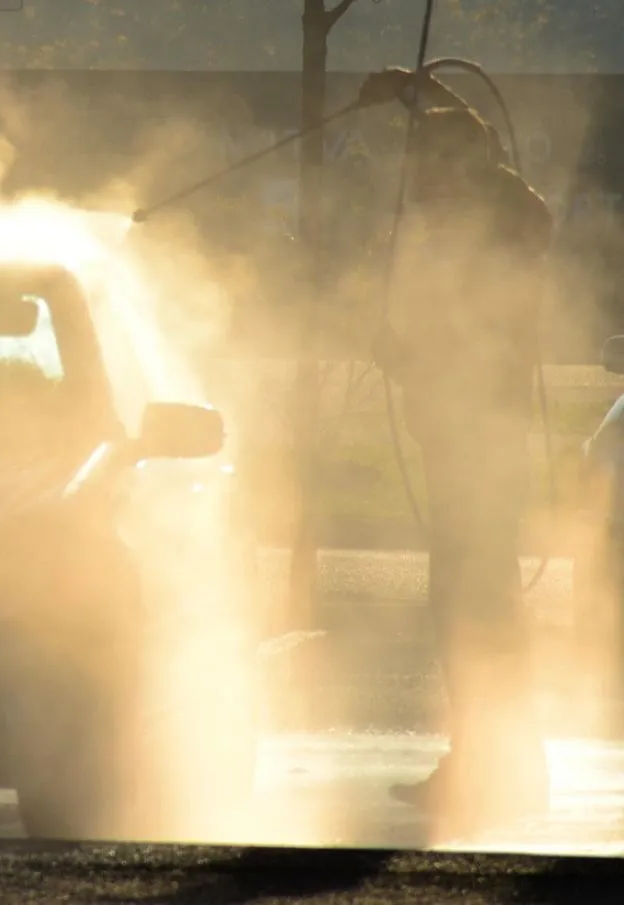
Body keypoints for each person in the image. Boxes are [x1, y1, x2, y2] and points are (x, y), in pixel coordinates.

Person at [357, 66, 555, 841]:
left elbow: (482, 156)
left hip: (482, 447)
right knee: (478, 609)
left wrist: (404, 355)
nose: (423, 188)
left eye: (432, 170)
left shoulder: (503, 215)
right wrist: (416, 93)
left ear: (458, 171)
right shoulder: (484, 218)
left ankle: (491, 766)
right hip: (467, 445)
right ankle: (500, 763)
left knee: (474, 610)